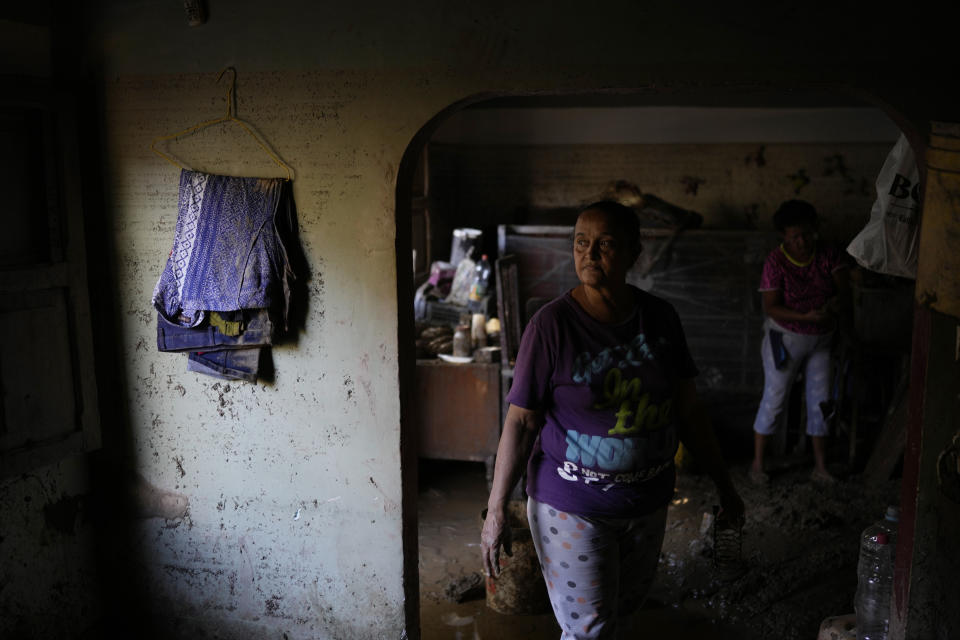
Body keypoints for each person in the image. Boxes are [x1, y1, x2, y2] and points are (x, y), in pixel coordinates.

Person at [480, 201, 745, 639]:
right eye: (581, 243)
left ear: (633, 253)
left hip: (647, 502)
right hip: (572, 505)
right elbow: (522, 423)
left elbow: (690, 410)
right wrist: (495, 511)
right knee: (589, 631)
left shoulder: (660, 318)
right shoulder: (551, 327)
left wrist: (725, 484)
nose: (590, 254)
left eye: (605, 244)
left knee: (622, 618)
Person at [750, 199, 850, 485]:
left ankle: (820, 467)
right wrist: (807, 316)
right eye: (794, 236)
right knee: (774, 398)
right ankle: (757, 465)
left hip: (821, 340)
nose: (802, 241)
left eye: (806, 234)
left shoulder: (830, 255)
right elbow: (771, 307)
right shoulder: (775, 261)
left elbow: (845, 293)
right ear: (784, 236)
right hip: (785, 338)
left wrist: (835, 311)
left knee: (820, 402)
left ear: (814, 230)